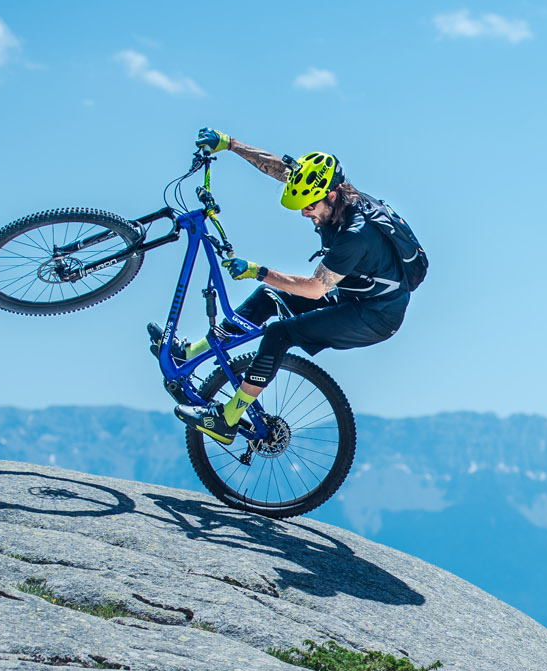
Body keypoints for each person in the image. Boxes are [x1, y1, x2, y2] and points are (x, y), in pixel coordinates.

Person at [167, 128, 425, 443]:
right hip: (354, 295)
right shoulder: (332, 189)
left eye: (309, 206)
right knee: (267, 297)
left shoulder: (356, 236)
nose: (305, 212)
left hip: (374, 317)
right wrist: (231, 144)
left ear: (331, 196)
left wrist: (257, 270)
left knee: (280, 332)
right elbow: (281, 170)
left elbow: (317, 288)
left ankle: (227, 419)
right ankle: (191, 353)